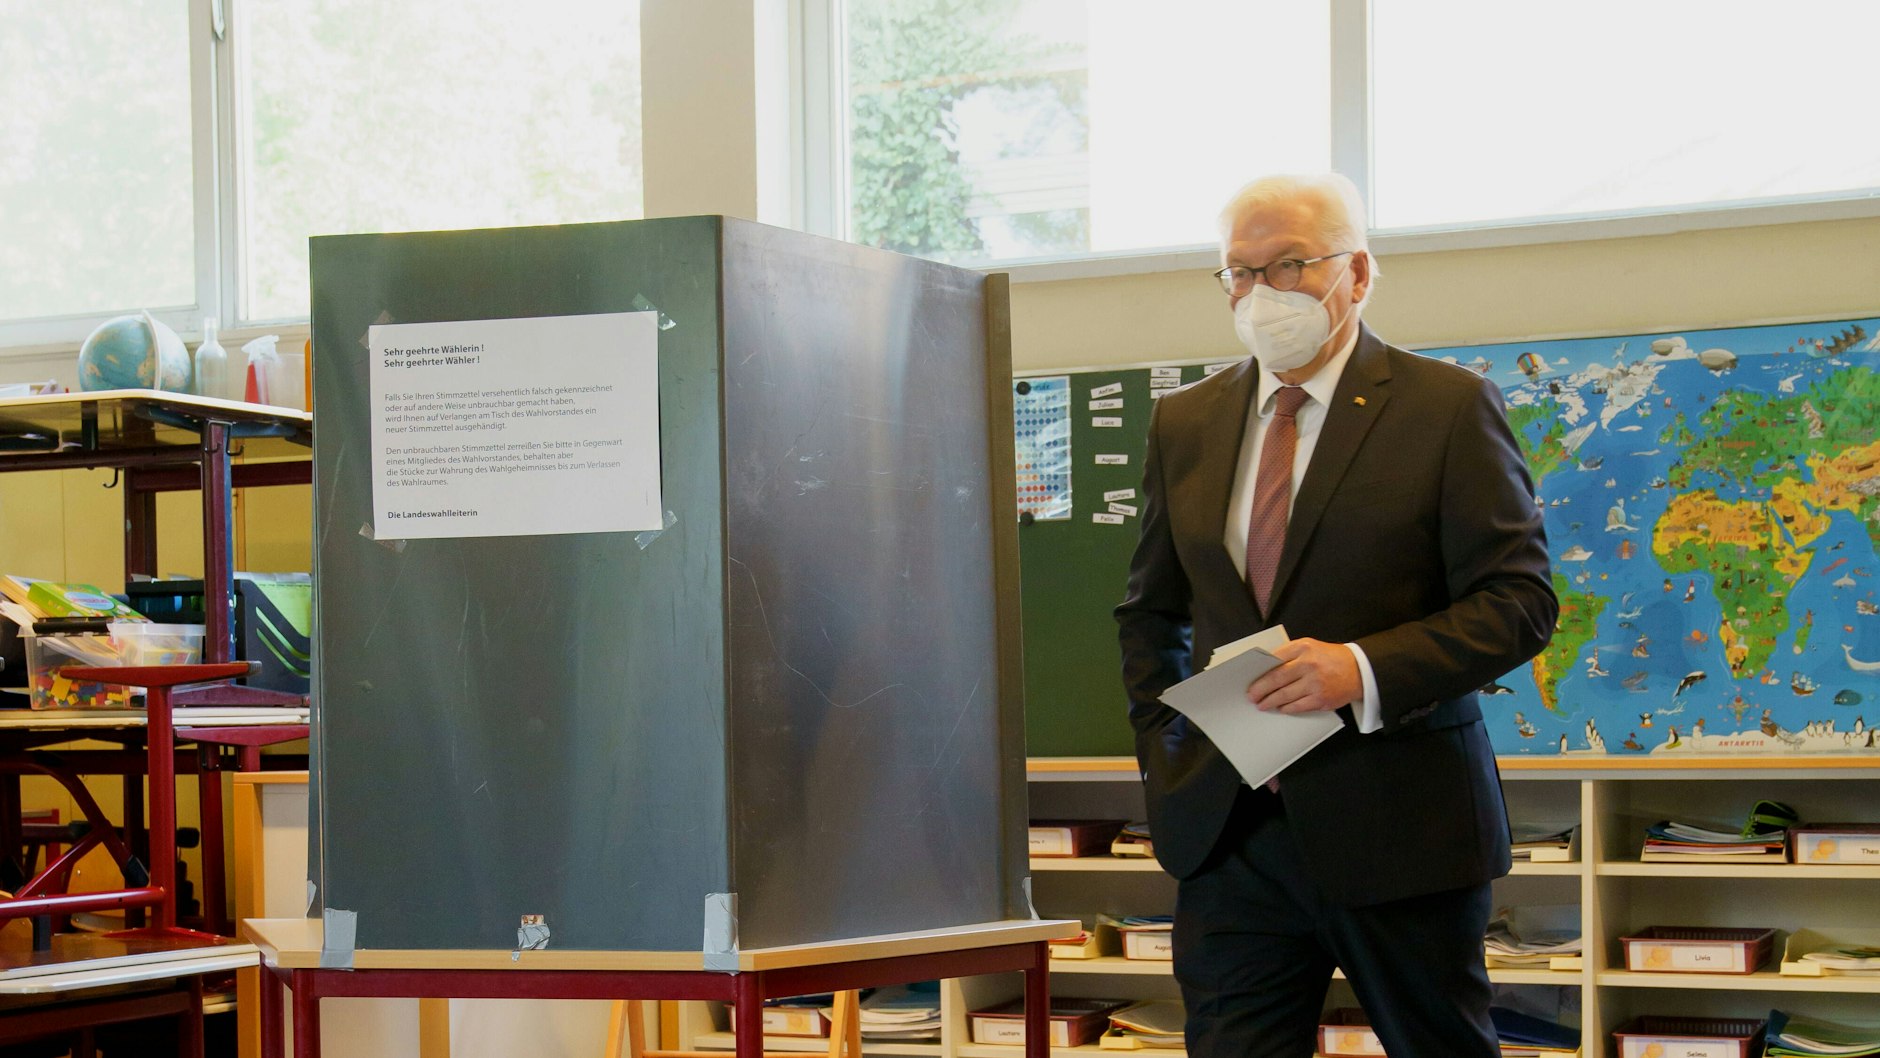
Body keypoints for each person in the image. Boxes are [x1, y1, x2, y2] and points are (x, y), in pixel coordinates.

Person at [1114, 173, 1557, 1057]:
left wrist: (1360, 669)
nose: (1260, 294)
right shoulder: (1187, 421)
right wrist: (1171, 752)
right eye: (1239, 273)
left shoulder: (1446, 409)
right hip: (1232, 830)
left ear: (1356, 273)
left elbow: (1520, 602)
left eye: (1288, 266)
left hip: (1401, 828)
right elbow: (1150, 611)